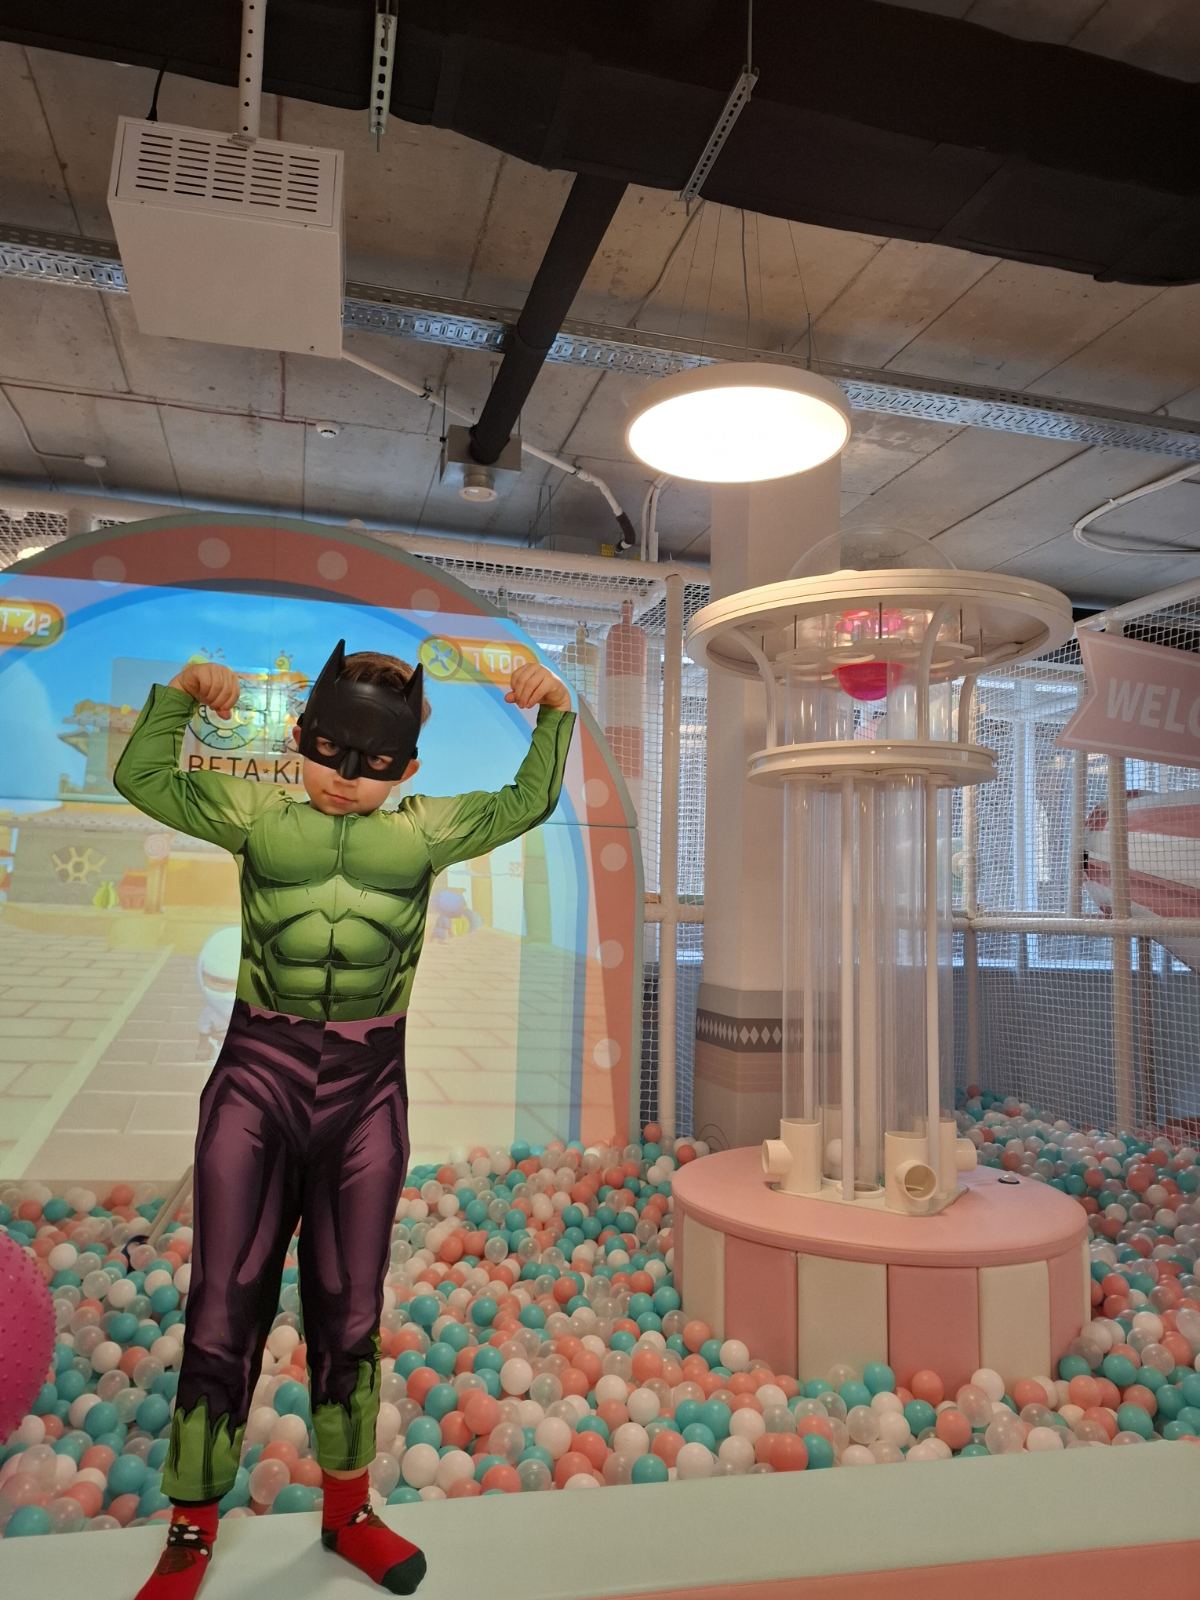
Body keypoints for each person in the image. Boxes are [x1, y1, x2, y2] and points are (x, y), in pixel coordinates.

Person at [113, 640, 575, 1600]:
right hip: (257, 1076)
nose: (344, 776)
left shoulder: (423, 832)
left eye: (374, 762)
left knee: (350, 1308)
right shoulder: (254, 816)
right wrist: (181, 696)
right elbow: (142, 778)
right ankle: (191, 1530)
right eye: (328, 750)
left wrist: (556, 712)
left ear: (409, 766)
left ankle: (348, 1511)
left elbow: (525, 803)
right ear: (299, 736)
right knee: (221, 1305)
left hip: (366, 1091)